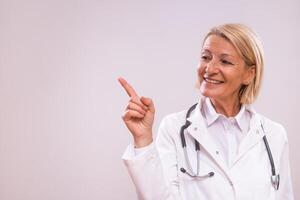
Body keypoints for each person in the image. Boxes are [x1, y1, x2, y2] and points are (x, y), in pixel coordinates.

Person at [118, 23, 294, 200]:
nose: (209, 69)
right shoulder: (174, 128)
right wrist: (142, 139)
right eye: (206, 57)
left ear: (249, 74)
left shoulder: (273, 135)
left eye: (225, 61)